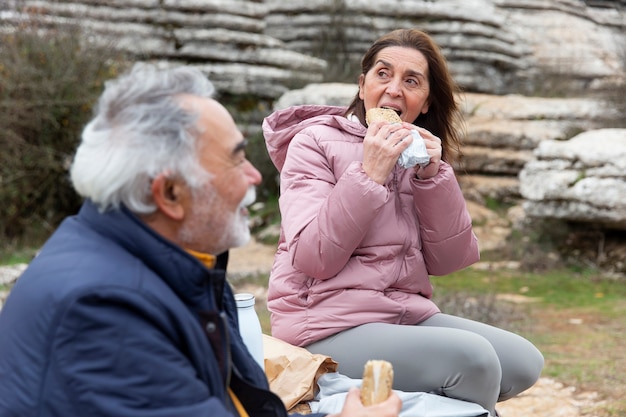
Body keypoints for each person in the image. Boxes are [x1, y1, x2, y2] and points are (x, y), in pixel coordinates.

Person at [0, 64, 402, 417]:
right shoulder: (105, 313)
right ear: (170, 194)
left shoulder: (178, 266)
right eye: (236, 159)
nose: (256, 176)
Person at [262, 28, 544, 416]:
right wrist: (368, 175)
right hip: (323, 325)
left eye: (411, 81)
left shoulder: (418, 155)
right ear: (362, 87)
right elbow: (314, 258)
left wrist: (434, 178)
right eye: (383, 74)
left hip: (402, 313)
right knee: (472, 360)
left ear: (425, 102)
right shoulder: (313, 143)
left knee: (522, 362)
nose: (394, 89)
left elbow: (449, 262)